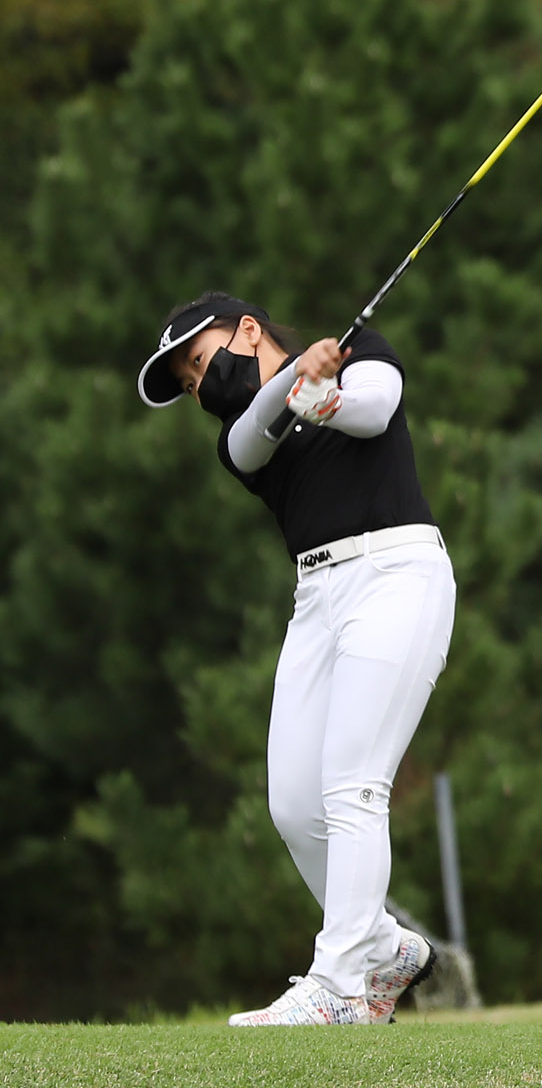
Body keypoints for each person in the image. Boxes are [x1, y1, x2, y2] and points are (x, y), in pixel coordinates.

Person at [138, 293, 454, 1026]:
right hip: (316, 596)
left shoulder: (361, 347)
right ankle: (382, 945)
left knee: (351, 786)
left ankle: (340, 985)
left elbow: (372, 410)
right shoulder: (237, 440)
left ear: (247, 329)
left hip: (397, 571)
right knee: (290, 804)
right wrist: (298, 383)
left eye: (198, 359)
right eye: (187, 381)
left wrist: (324, 385)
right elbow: (258, 432)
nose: (197, 383)